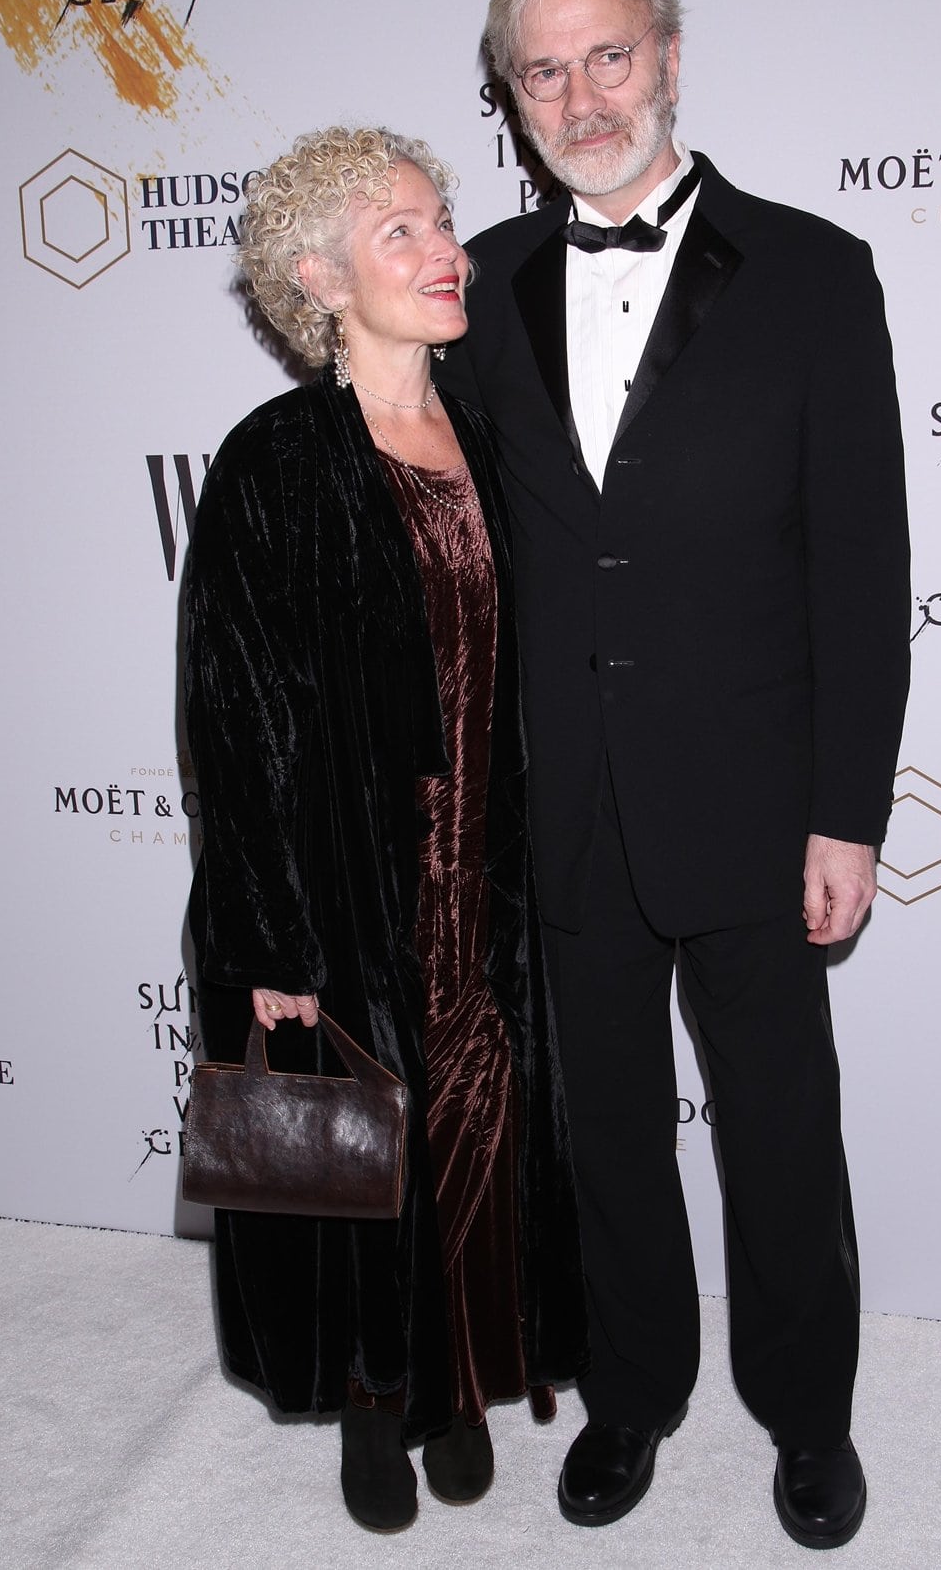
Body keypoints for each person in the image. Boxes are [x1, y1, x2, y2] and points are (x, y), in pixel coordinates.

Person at [437, 0, 910, 1549]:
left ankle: (810, 1411)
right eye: (542, 72)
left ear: (670, 54)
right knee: (608, 1124)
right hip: (560, 794)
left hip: (760, 793)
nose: (579, 97)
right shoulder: (478, 285)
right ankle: (633, 1389)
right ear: (511, 98)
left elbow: (862, 567)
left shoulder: (815, 271)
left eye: (606, 56)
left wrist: (847, 812)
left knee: (780, 1120)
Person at [184, 126, 587, 1533]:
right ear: (319, 276)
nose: (445, 252)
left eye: (443, 220)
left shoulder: (486, 429)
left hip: (490, 872)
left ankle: (462, 1375)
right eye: (400, 231)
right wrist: (269, 936)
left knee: (480, 1125)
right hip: (351, 884)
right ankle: (371, 1396)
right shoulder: (276, 461)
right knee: (359, 1150)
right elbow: (237, 720)